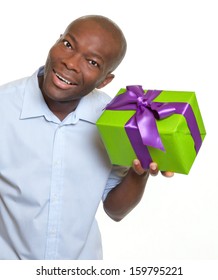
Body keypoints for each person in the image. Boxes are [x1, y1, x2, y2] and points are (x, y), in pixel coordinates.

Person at [0, 15, 173, 260]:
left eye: (92, 62)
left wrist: (140, 170)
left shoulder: (113, 120)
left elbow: (115, 210)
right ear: (56, 41)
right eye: (68, 45)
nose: (70, 63)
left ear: (104, 80)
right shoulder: (4, 107)